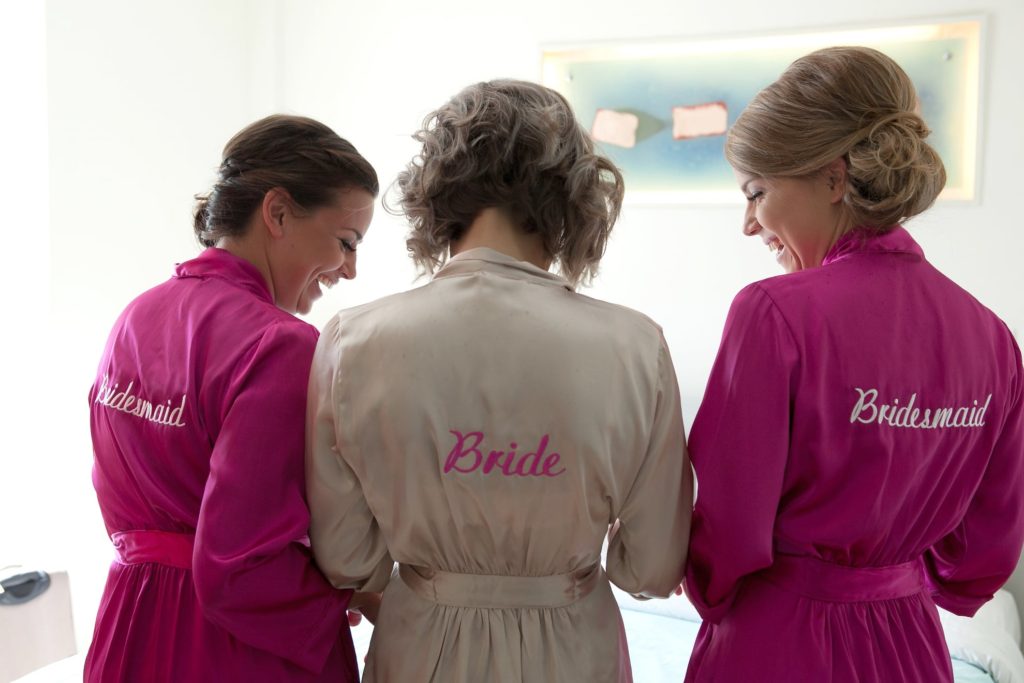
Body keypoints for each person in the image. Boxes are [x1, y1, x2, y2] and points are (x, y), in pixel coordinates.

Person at [305, 79, 693, 682]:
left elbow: (347, 558)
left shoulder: (353, 338)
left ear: (435, 192)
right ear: (575, 195)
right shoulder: (635, 344)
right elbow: (651, 568)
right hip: (572, 646)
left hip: (421, 642)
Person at [683, 46, 1024, 682]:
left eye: (757, 193)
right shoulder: (994, 340)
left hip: (779, 640)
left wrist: (700, 582)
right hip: (909, 644)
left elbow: (727, 532)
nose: (749, 225)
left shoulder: (773, 314)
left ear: (835, 178)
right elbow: (982, 554)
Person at [84, 114, 378, 682]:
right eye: (345, 243)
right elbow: (239, 568)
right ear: (278, 213)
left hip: (130, 626)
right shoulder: (281, 345)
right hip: (230, 649)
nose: (350, 270)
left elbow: (111, 488)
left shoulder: (137, 313)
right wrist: (357, 599)